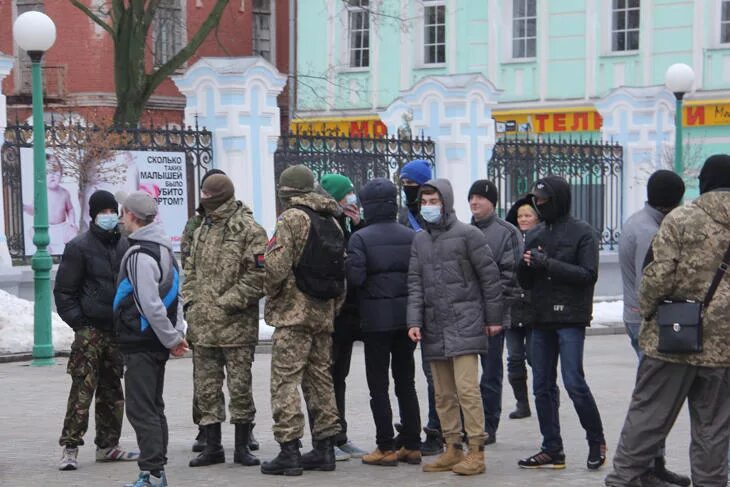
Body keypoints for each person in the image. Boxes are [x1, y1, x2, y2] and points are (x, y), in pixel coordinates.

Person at [605, 155, 730, 487]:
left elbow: (657, 277)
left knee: (648, 417)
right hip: (725, 350)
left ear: (704, 181)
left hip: (673, 341)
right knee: (714, 427)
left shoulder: (681, 218)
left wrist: (647, 313)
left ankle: (623, 479)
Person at [407, 179, 503, 476]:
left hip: (466, 323)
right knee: (443, 393)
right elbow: (415, 284)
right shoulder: (419, 240)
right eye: (424, 202)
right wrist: (414, 320)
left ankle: (476, 450)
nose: (428, 206)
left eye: (433, 200)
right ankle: (452, 448)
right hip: (434, 326)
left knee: (467, 390)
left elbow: (490, 278)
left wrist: (494, 318)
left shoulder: (468, 235)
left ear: (445, 202)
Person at [516, 176, 606, 471]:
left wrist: (547, 264)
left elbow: (587, 274)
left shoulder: (583, 233)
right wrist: (525, 267)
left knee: (573, 381)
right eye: (536, 201)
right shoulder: (535, 233)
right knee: (541, 385)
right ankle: (551, 447)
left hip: (570, 317)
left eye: (543, 201)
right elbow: (527, 282)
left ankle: (596, 441)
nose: (539, 206)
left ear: (559, 200)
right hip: (540, 317)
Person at [261, 165, 344, 476]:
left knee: (285, 381)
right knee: (320, 380)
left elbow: (276, 267)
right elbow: (341, 273)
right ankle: (325, 449)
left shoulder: (291, 218)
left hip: (294, 315)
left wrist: (270, 292)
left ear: (286, 191)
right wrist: (331, 308)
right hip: (323, 314)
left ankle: (289, 450)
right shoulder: (333, 221)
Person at [182, 174, 268, 468]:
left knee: (240, 387)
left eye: (207, 193)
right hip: (203, 326)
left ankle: (242, 446)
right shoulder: (201, 229)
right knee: (206, 388)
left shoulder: (249, 229)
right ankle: (212, 446)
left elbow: (258, 277)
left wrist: (225, 303)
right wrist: (192, 303)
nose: (203, 197)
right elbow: (189, 268)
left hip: (236, 326)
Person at [54, 190, 137, 471]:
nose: (109, 216)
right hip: (90, 331)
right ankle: (70, 447)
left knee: (113, 391)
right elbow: (64, 291)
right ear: (93, 215)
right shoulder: (79, 247)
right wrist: (80, 323)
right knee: (82, 390)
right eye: (103, 212)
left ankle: (108, 446)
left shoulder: (126, 244)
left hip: (117, 330)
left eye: (112, 211)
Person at [617, 170, 689, 486]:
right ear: (672, 201)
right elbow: (651, 282)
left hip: (638, 317)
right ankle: (644, 469)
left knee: (652, 396)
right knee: (653, 399)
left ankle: (653, 465)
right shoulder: (649, 231)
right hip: (645, 321)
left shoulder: (640, 221)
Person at [114, 191, 188, 487]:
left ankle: (153, 473)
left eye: (122, 213)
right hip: (155, 340)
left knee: (142, 408)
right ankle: (156, 469)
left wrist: (172, 338)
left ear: (132, 216)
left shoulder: (139, 254)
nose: (119, 218)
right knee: (153, 406)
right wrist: (176, 333)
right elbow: (177, 297)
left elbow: (149, 304)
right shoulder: (165, 249)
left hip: (141, 340)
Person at [346, 178, 421, 466]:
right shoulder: (411, 235)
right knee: (406, 382)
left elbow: (356, 278)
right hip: (406, 320)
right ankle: (413, 444)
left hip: (375, 322)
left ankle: (385, 445)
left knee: (378, 385)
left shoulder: (360, 238)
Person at [316, 173, 368, 460]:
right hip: (327, 315)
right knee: (325, 377)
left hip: (345, 318)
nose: (351, 198)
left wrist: (358, 223)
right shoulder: (324, 224)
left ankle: (340, 434)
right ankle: (325, 437)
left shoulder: (346, 224)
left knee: (339, 377)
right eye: (346, 193)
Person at [468, 180, 522, 445]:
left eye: (480, 198)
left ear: (493, 202)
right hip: (466, 315)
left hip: (493, 318)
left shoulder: (507, 232)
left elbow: (510, 277)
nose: (474, 202)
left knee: (490, 374)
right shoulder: (464, 232)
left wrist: (493, 314)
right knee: (465, 377)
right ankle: (470, 424)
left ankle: (489, 425)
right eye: (471, 198)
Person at [397, 158, 442, 456]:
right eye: (405, 185)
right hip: (405, 303)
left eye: (413, 185)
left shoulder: (437, 218)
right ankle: (411, 428)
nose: (408, 190)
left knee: (434, 374)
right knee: (404, 372)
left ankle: (437, 430)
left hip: (433, 306)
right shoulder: (400, 217)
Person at [503, 197, 540, 419]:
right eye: (520, 216)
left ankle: (544, 398)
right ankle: (522, 403)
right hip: (513, 306)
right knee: (514, 358)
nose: (523, 219)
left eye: (528, 215)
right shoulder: (511, 239)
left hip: (535, 309)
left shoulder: (543, 238)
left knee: (536, 358)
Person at [24, 154, 77, 253]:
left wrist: (72, 223)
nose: (52, 175)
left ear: (61, 172)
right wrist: (25, 207)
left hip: (61, 227)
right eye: (47, 172)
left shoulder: (64, 193)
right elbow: (33, 209)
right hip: (45, 229)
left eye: (55, 170)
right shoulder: (40, 192)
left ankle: (68, 248)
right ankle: (45, 248)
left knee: (73, 231)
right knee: (32, 231)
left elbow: (70, 209)